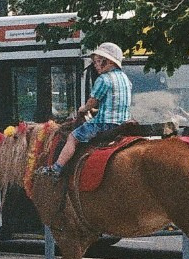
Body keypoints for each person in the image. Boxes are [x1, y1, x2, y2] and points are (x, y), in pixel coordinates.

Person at [41, 41, 132, 175]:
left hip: (104, 124)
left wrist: (84, 109)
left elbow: (92, 102)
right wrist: (96, 111)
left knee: (73, 136)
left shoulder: (104, 79)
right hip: (123, 122)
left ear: (109, 62)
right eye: (95, 62)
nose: (95, 65)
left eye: (98, 61)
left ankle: (56, 168)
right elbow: (114, 103)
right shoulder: (125, 79)